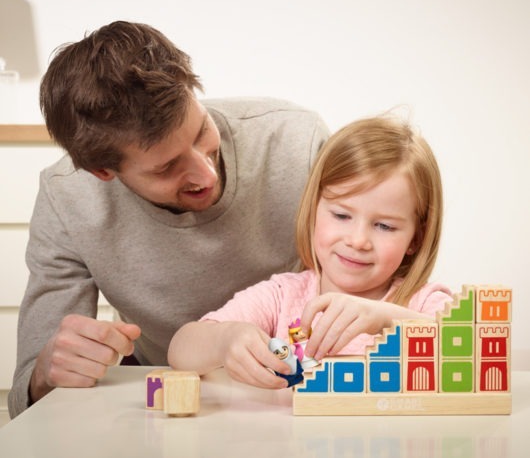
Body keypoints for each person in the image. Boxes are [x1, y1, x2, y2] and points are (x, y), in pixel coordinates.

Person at [8, 21, 329, 418]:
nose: (206, 175)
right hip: (164, 394)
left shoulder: (298, 141)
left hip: (294, 389)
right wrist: (49, 370)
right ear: (104, 172)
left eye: (201, 132)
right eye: (167, 167)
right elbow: (27, 396)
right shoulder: (67, 198)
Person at [167, 115, 453, 389]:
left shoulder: (422, 303)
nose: (358, 240)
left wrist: (387, 319)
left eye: (384, 226)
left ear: (416, 238)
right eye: (341, 215)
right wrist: (224, 340)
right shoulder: (282, 296)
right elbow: (181, 350)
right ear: (314, 210)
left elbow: (475, 350)